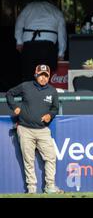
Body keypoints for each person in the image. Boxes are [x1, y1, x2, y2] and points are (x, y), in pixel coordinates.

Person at [6, 65, 63, 194]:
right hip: (25, 129)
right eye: (41, 75)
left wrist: (50, 115)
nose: (43, 78)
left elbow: (55, 108)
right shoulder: (26, 86)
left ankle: (50, 186)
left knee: (51, 157)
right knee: (29, 160)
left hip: (43, 130)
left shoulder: (52, 91)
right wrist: (14, 106)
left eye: (46, 75)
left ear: (49, 77)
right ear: (35, 75)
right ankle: (31, 188)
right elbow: (9, 93)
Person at [15, 0, 67, 81]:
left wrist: (19, 41)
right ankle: (42, 94)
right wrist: (61, 53)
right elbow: (62, 35)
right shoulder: (56, 11)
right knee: (44, 77)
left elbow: (19, 23)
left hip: (29, 45)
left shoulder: (30, 7)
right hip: (47, 48)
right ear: (54, 2)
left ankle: (29, 94)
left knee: (28, 76)